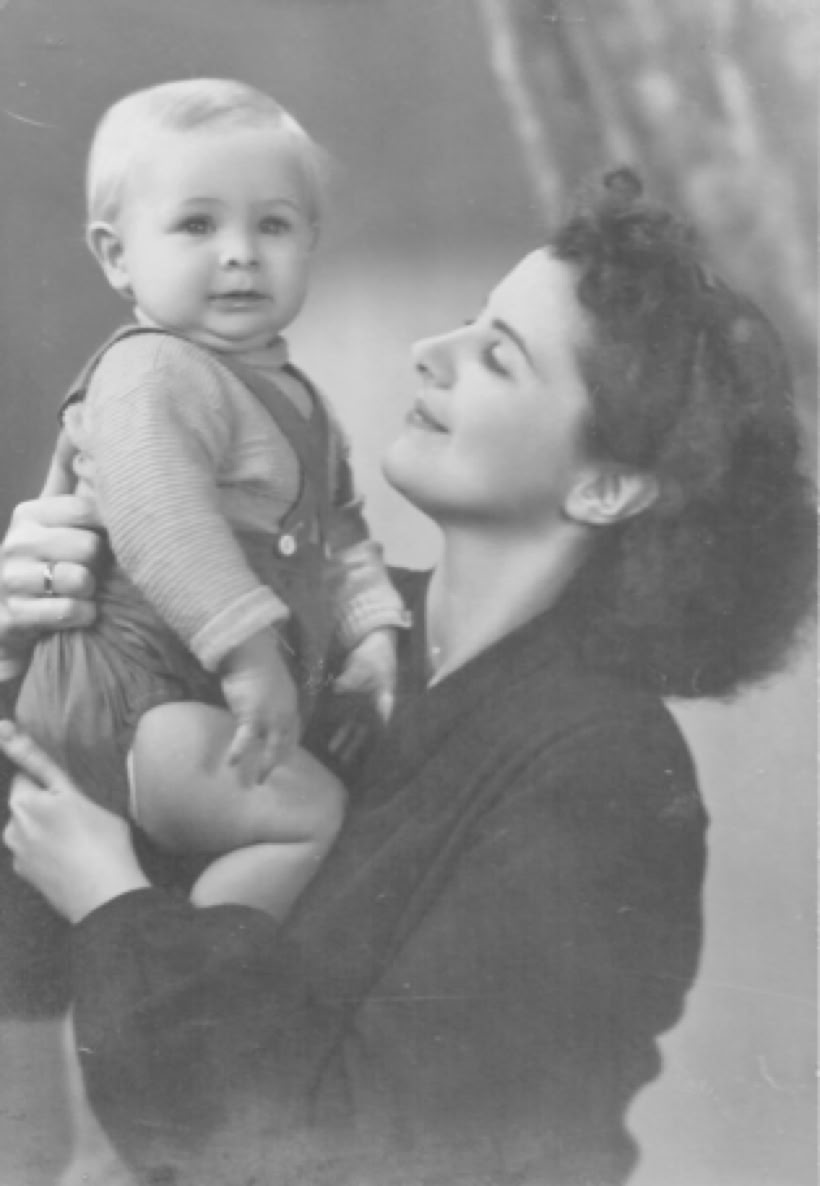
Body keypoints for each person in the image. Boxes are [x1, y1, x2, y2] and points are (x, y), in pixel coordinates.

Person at [0, 170, 814, 1186]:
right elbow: (23, 949)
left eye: (499, 356)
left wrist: (112, 902)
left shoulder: (602, 780)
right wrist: (33, 654)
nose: (433, 350)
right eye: (470, 320)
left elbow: (363, 1156)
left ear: (606, 486)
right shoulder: (302, 619)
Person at [10, 78, 408, 919]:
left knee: (312, 809)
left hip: (198, 695)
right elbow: (164, 526)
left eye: (274, 225)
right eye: (198, 224)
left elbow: (339, 532)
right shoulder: (149, 372)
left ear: (310, 241)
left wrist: (371, 631)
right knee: (309, 817)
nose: (240, 253)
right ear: (117, 256)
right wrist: (250, 658)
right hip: (128, 697)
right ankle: (179, 962)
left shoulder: (299, 397)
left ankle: (170, 938)